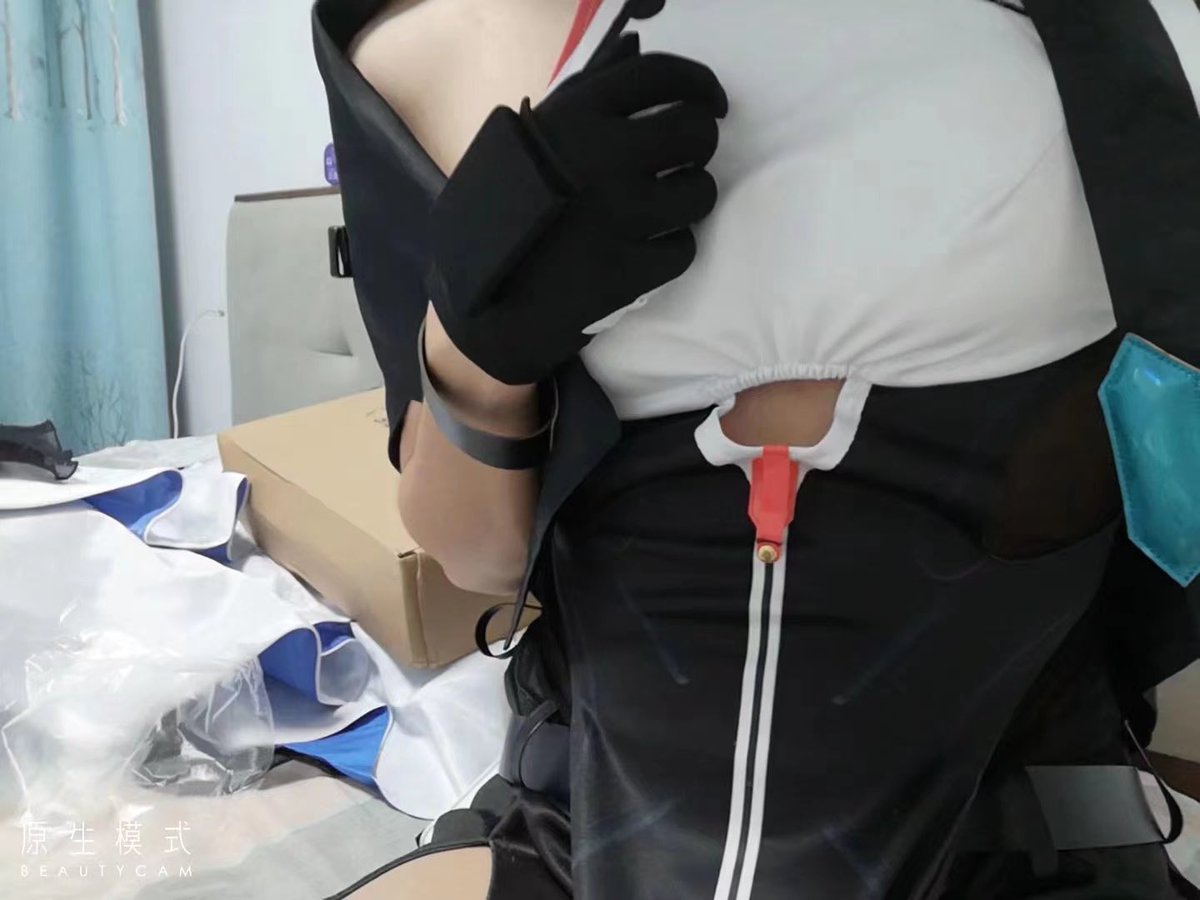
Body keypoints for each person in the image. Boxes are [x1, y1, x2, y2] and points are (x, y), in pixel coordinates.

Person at [313, 0, 1200, 896]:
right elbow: (478, 557)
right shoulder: (427, 49)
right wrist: (473, 353)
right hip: (582, 823)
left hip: (1016, 834)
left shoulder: (1101, 44)